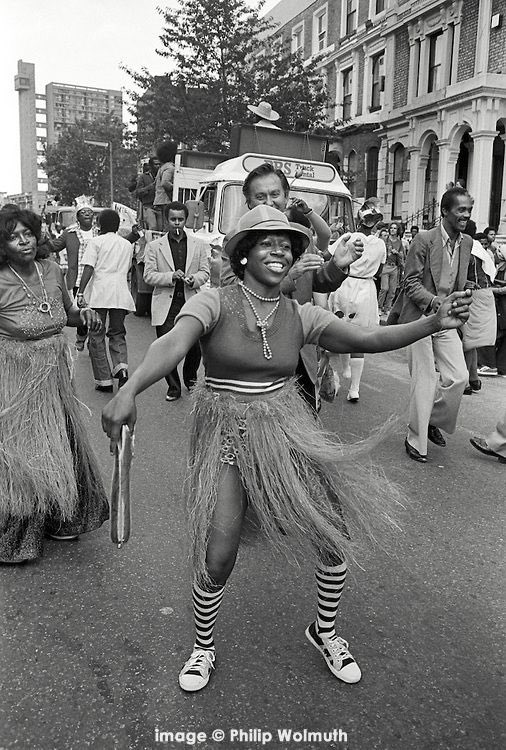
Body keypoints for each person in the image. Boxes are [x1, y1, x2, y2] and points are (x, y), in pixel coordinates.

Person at [101, 204, 472, 692]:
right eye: (266, 241)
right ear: (244, 254)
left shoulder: (301, 312)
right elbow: (171, 344)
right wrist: (130, 390)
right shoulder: (215, 301)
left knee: (333, 535)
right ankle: (203, 647)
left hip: (286, 432)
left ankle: (324, 631)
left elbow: (369, 335)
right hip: (228, 437)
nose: (279, 249)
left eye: (286, 244)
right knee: (218, 554)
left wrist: (431, 324)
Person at [0, 208, 108, 563]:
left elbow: (68, 314)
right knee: (25, 458)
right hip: (16, 385)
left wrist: (86, 316)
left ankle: (62, 516)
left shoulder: (51, 270)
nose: (23, 241)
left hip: (55, 381)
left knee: (62, 443)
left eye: (27, 233)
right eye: (13, 236)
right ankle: (17, 536)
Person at [221, 161, 362, 411]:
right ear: (249, 202)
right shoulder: (235, 239)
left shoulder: (301, 236)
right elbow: (232, 290)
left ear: (286, 197)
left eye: (275, 194)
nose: (269, 202)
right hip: (256, 355)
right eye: (260, 196)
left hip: (300, 352)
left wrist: (338, 265)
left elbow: (316, 280)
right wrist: (289, 277)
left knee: (305, 423)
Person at [387, 187, 473, 463]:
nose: (466, 215)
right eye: (461, 210)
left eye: (469, 210)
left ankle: (431, 419)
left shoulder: (468, 242)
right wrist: (436, 303)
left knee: (459, 377)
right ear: (444, 211)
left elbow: (462, 280)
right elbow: (409, 283)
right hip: (420, 317)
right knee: (424, 381)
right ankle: (416, 438)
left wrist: (465, 297)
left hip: (447, 322)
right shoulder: (424, 239)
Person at [143, 201, 210, 401]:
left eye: (181, 219)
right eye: (173, 219)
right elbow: (148, 276)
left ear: (186, 220)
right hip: (166, 303)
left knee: (195, 347)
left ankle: (190, 380)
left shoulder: (198, 245)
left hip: (192, 303)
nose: (177, 223)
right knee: (166, 347)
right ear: (166, 220)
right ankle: (173, 386)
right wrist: (170, 276)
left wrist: (194, 279)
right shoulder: (154, 246)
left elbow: (205, 272)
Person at [327, 202, 387, 402]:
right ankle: (355, 388)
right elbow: (379, 270)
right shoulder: (380, 244)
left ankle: (346, 370)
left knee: (344, 328)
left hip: (346, 282)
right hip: (366, 288)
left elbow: (330, 256)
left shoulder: (348, 237)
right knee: (359, 335)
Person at [77, 209, 136, 392]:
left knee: (96, 335)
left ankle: (104, 380)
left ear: (100, 225)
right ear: (118, 225)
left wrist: (80, 292)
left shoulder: (95, 242)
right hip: (120, 293)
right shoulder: (126, 244)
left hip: (100, 293)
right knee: (118, 333)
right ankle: (122, 368)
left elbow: (89, 267)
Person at [50, 196, 98, 351]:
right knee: (82, 312)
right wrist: (39, 241)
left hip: (97, 279)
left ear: (93, 216)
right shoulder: (69, 233)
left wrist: (134, 236)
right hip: (78, 280)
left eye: (89, 212)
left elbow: (117, 243)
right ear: (77, 216)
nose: (86, 214)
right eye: (83, 212)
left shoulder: (100, 232)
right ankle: (82, 336)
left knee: (97, 312)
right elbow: (55, 246)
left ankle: (96, 343)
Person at [462, 231, 497, 395]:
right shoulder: (482, 252)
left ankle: (465, 382)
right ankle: (473, 378)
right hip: (485, 295)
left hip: (475, 296)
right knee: (472, 340)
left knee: (467, 341)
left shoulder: (469, 252)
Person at [378, 222, 405, 315]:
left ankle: (387, 308)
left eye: (395, 228)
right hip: (385, 265)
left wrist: (397, 253)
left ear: (398, 230)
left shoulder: (399, 242)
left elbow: (402, 255)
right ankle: (379, 307)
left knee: (392, 290)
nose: (393, 230)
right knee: (384, 288)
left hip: (395, 267)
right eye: (391, 228)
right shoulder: (385, 240)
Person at [153, 141, 178, 232]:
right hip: (165, 201)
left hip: (159, 201)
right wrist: (175, 188)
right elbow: (165, 182)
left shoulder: (163, 167)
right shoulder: (170, 168)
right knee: (168, 227)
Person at [135, 158, 160, 230]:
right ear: (151, 166)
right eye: (156, 164)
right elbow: (138, 192)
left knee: (161, 230)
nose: (158, 166)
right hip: (149, 206)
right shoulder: (143, 177)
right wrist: (149, 187)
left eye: (159, 164)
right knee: (153, 228)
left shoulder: (161, 176)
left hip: (160, 207)